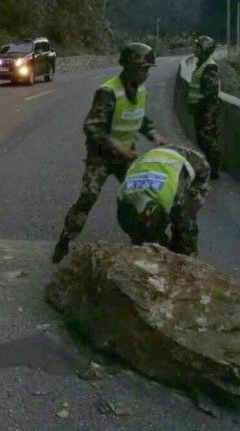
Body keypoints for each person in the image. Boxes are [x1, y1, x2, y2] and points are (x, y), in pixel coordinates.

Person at [52, 42, 167, 264]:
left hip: (127, 157)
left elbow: (138, 116)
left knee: (139, 198)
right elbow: (92, 126)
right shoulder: (108, 92)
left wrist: (153, 134)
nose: (146, 74)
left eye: (147, 70)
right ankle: (64, 242)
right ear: (131, 67)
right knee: (88, 198)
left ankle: (143, 243)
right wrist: (116, 146)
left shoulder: (140, 90)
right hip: (102, 157)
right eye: (144, 69)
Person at [116, 144, 210, 256]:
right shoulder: (123, 196)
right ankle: (154, 239)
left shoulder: (176, 200)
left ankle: (176, 250)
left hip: (194, 163)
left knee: (184, 226)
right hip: (154, 156)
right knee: (142, 237)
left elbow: (188, 229)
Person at [188, 35, 221, 179]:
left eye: (197, 46)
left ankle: (213, 171)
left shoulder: (210, 66)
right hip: (200, 109)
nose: (194, 49)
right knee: (202, 139)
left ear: (204, 49)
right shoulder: (201, 64)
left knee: (208, 140)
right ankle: (208, 168)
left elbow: (210, 93)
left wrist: (205, 110)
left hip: (206, 110)